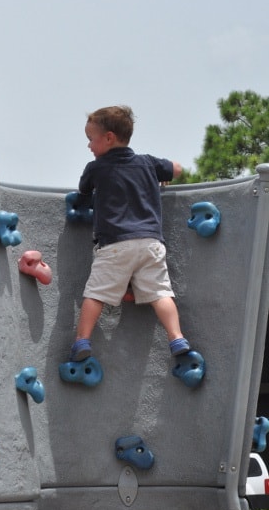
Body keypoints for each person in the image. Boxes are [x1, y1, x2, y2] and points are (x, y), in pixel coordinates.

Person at [69, 105, 191, 362]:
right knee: (161, 293)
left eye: (91, 139)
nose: (89, 146)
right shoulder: (147, 162)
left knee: (96, 294)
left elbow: (82, 192)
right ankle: (176, 337)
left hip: (114, 245)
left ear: (109, 138)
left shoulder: (96, 168)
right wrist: (164, 176)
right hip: (151, 244)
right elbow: (178, 168)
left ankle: (82, 340)